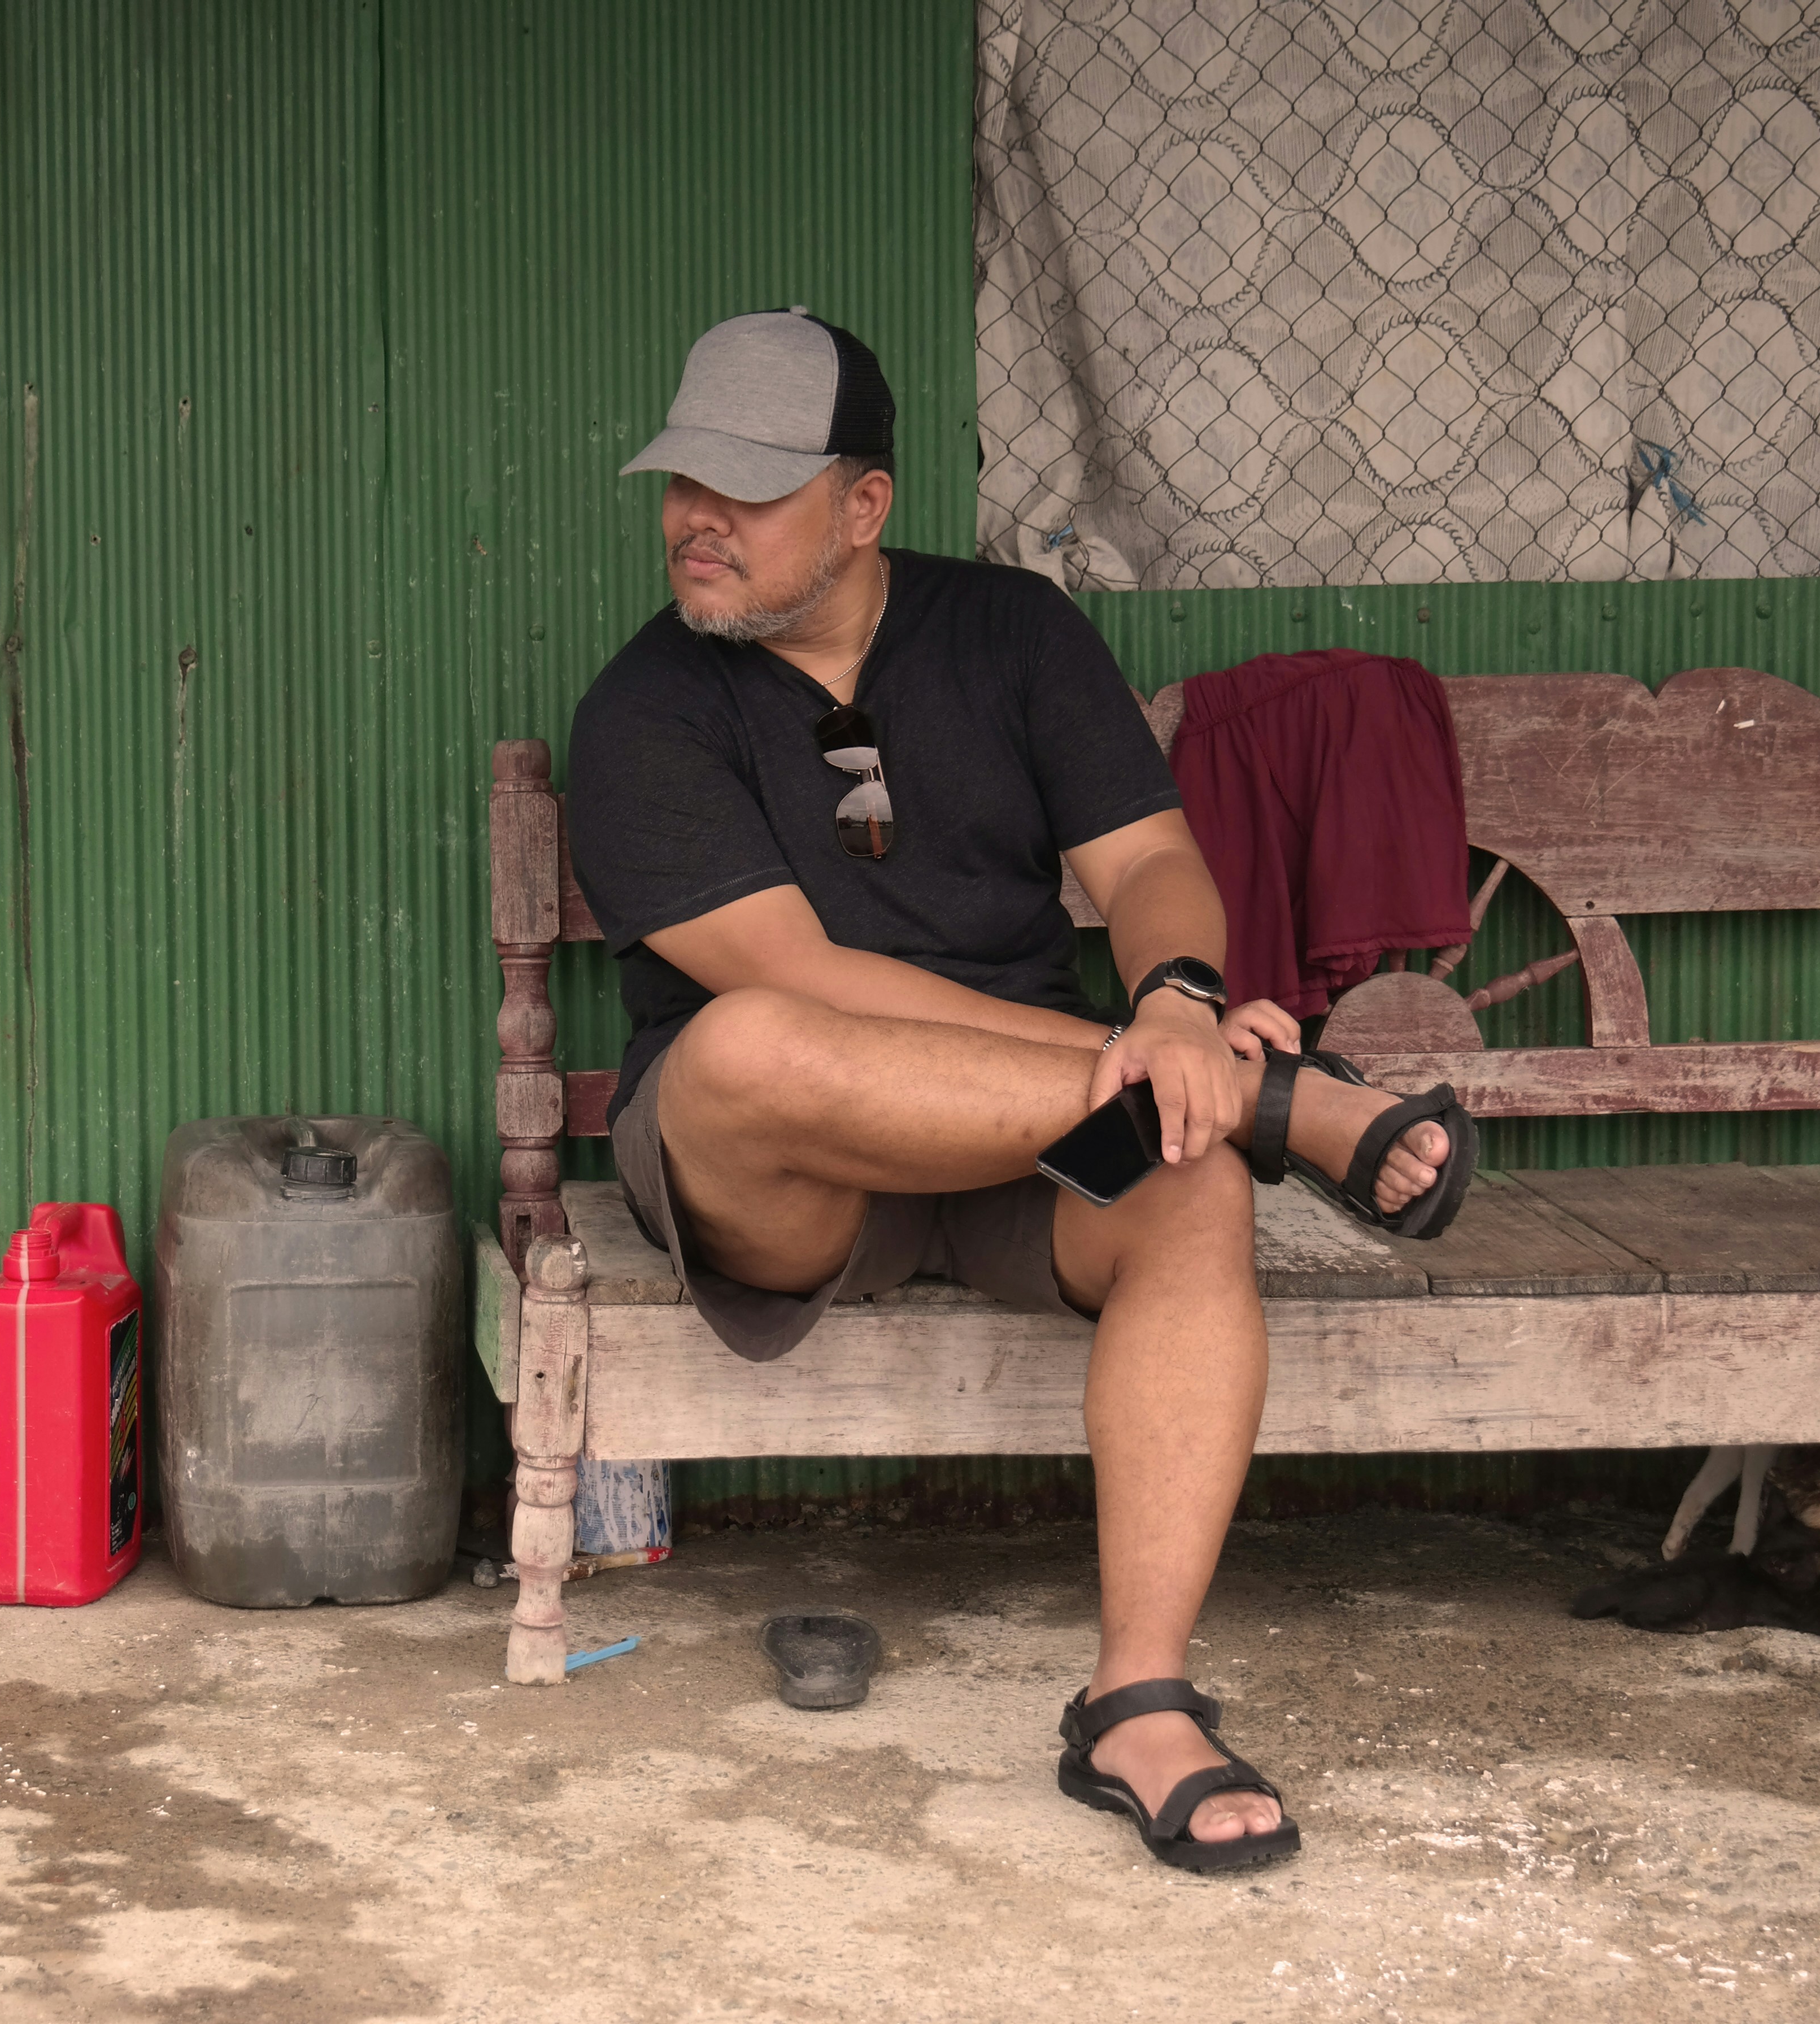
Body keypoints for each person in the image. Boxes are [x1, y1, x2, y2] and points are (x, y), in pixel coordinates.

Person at [564, 309, 1479, 1874]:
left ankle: (1138, 1705)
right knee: (750, 1041)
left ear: (866, 504)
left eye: (746, 487)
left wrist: (1184, 1003)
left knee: (1185, 1174)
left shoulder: (1013, 634)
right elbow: (811, 981)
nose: (693, 520)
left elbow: (1148, 863)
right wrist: (1213, 1071)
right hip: (791, 1173)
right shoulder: (643, 711)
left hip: (1023, 1155)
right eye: (681, 482)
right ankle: (1280, 1106)